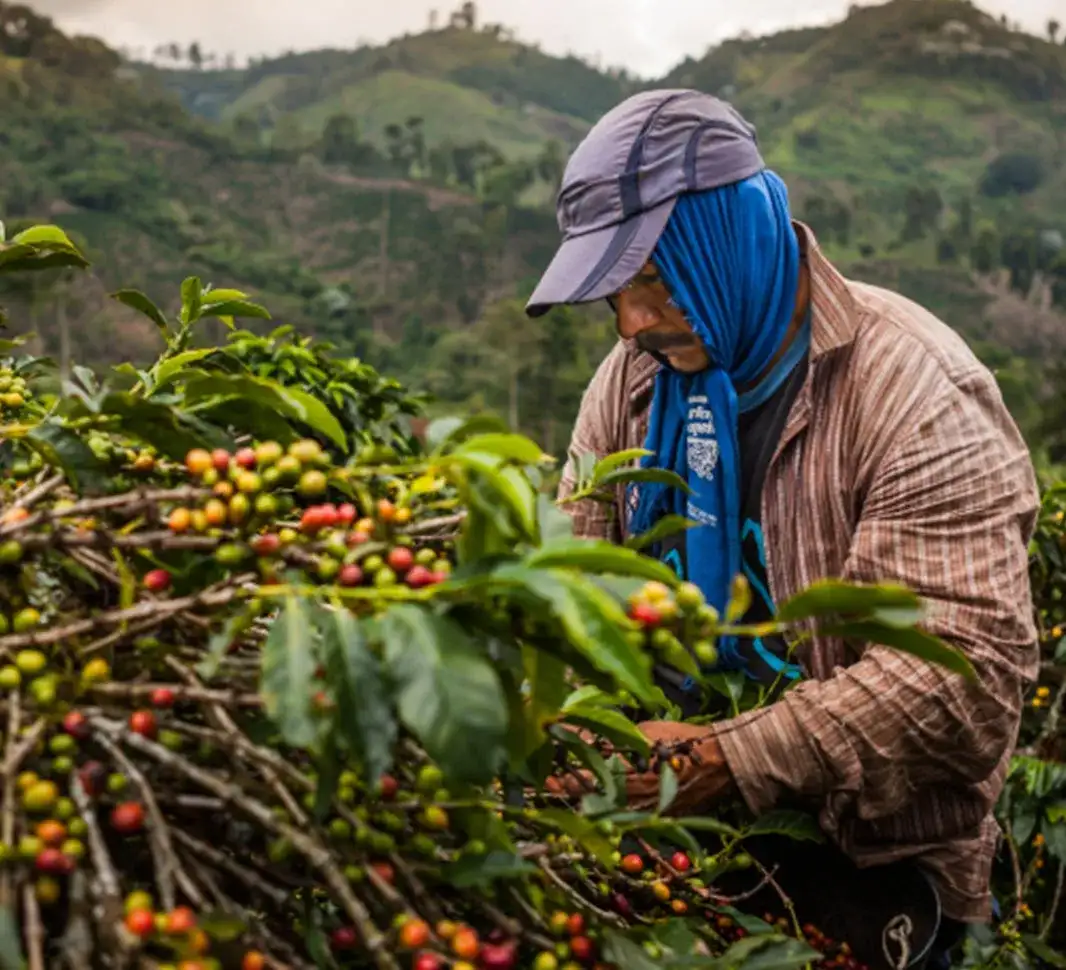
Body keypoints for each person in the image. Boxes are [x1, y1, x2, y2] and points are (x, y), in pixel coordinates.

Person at [524, 89, 1039, 969]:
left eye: (653, 280)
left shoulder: (914, 393)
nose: (631, 325)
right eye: (616, 294)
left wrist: (728, 757)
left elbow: (964, 680)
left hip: (869, 874)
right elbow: (574, 576)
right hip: (681, 857)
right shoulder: (633, 382)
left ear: (726, 238)